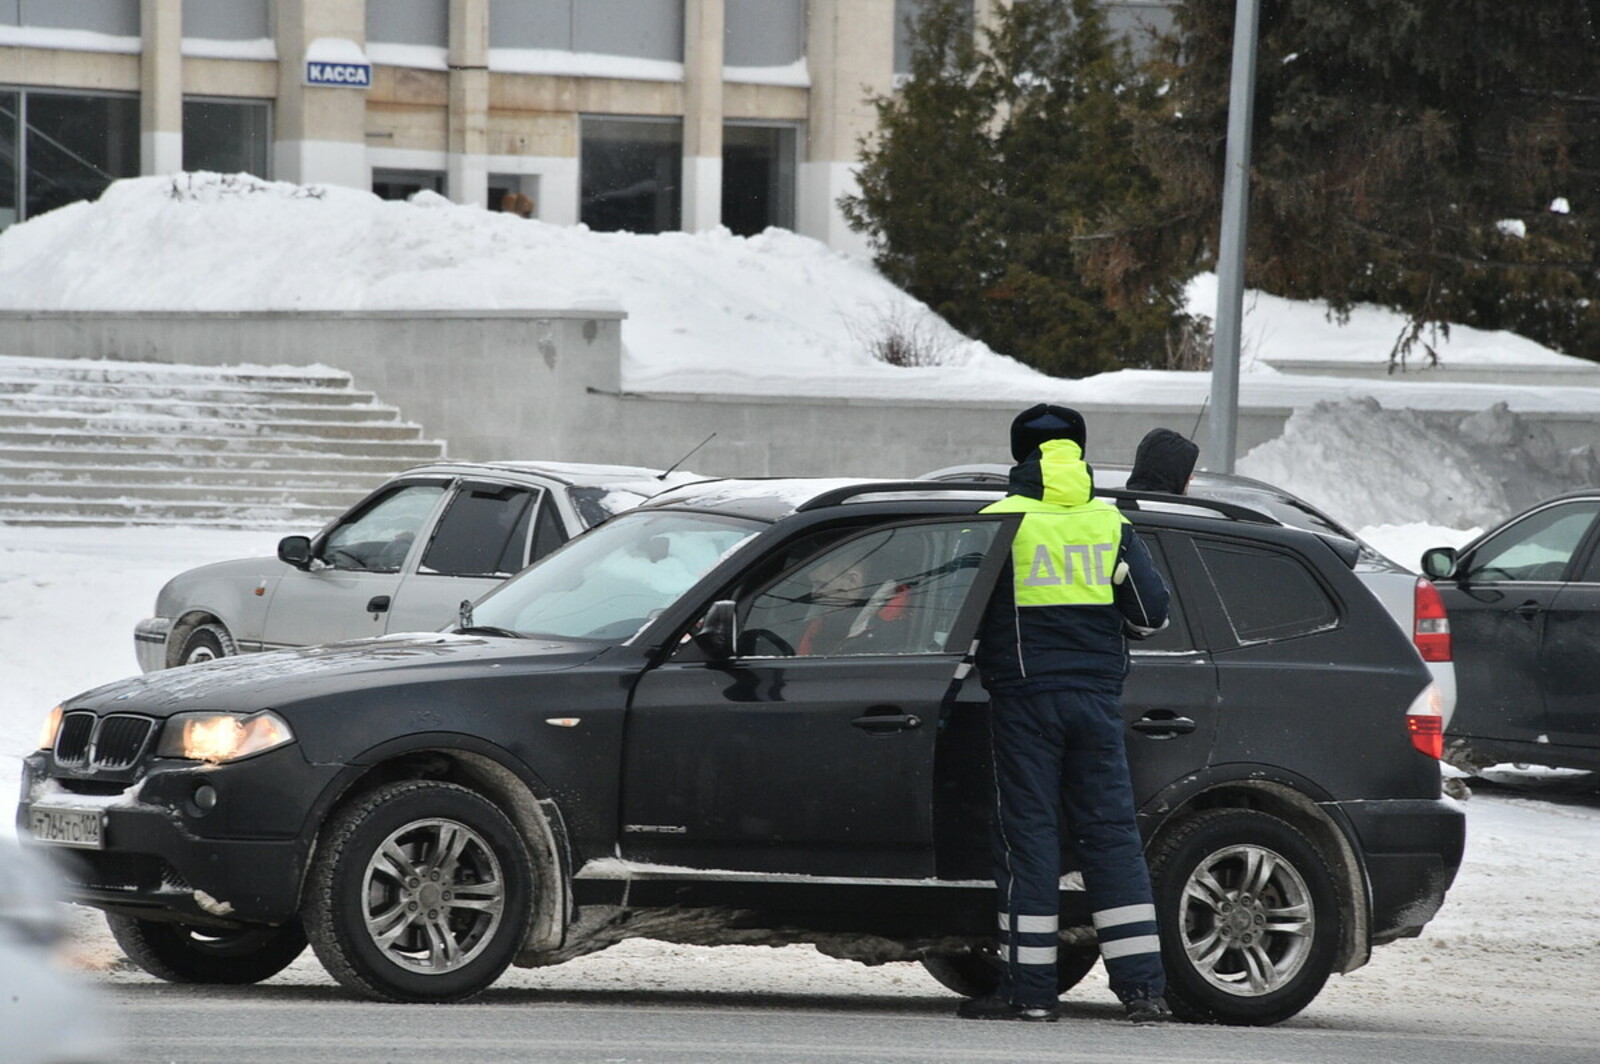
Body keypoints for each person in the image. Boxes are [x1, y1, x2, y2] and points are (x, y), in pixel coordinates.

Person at [960, 403, 1174, 1024]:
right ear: (1077, 454)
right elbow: (1151, 617)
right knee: (1111, 841)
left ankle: (1029, 993)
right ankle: (1144, 992)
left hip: (1025, 704)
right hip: (1097, 705)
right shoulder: (1109, 523)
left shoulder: (1001, 522)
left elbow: (961, 619)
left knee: (1030, 841)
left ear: (1018, 456)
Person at [1125, 427, 1200, 498]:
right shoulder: (1183, 510)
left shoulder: (1118, 504)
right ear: (1172, 471)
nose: (1191, 477)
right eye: (1185, 470)